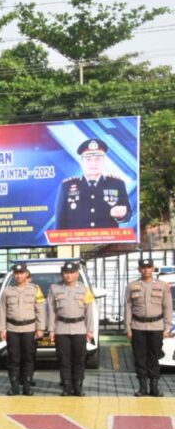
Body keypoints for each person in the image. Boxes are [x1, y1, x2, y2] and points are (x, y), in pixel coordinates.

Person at [56, 138, 131, 230]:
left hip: (108, 240)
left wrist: (121, 215)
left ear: (104, 161)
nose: (93, 163)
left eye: (98, 159)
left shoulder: (117, 184)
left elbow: (128, 215)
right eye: (88, 159)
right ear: (82, 162)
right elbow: (60, 221)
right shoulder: (67, 186)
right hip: (77, 240)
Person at [0, 263, 45, 396]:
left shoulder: (35, 289)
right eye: (16, 273)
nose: (18, 276)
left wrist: (40, 328)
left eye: (21, 273)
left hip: (29, 328)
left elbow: (40, 310)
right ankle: (14, 387)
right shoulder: (7, 291)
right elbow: (2, 311)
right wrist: (1, 329)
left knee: (28, 358)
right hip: (12, 329)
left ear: (26, 274)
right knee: (13, 359)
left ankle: (27, 386)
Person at [125, 258, 172, 397]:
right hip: (138, 326)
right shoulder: (132, 286)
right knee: (140, 358)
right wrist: (128, 328)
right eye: (143, 267)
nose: (146, 270)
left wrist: (167, 327)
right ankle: (142, 387)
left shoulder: (162, 286)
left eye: (149, 267)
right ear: (139, 269)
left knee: (154, 358)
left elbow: (167, 307)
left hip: (156, 327)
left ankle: (154, 387)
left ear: (153, 269)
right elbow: (128, 307)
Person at [47, 261, 96, 396]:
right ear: (63, 274)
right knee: (64, 360)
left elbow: (89, 311)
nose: (69, 276)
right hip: (61, 328)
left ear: (77, 274)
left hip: (79, 328)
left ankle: (78, 387)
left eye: (72, 273)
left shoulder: (84, 289)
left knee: (79, 359)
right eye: (66, 273)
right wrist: (51, 329)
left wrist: (90, 330)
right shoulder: (54, 289)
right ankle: (67, 387)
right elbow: (51, 311)